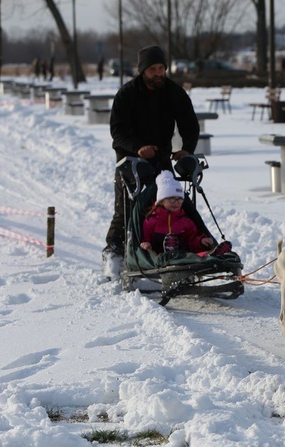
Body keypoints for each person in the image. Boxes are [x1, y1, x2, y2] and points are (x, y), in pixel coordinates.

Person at [102, 45, 200, 279]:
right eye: (153, 69)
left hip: (161, 158)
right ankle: (114, 252)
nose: (158, 73)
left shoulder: (173, 92)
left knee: (169, 205)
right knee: (126, 208)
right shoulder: (126, 94)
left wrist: (186, 149)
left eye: (161, 68)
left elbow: (189, 122)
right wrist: (138, 148)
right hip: (129, 160)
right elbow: (117, 131)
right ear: (143, 70)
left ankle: (169, 249)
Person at [140, 171, 214, 255]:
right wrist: (146, 245)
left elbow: (191, 243)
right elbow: (145, 239)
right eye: (172, 199)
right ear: (162, 200)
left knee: (197, 256)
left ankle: (214, 254)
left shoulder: (185, 221)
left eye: (180, 199)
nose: (176, 203)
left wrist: (201, 241)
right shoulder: (151, 221)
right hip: (159, 257)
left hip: (183, 256)